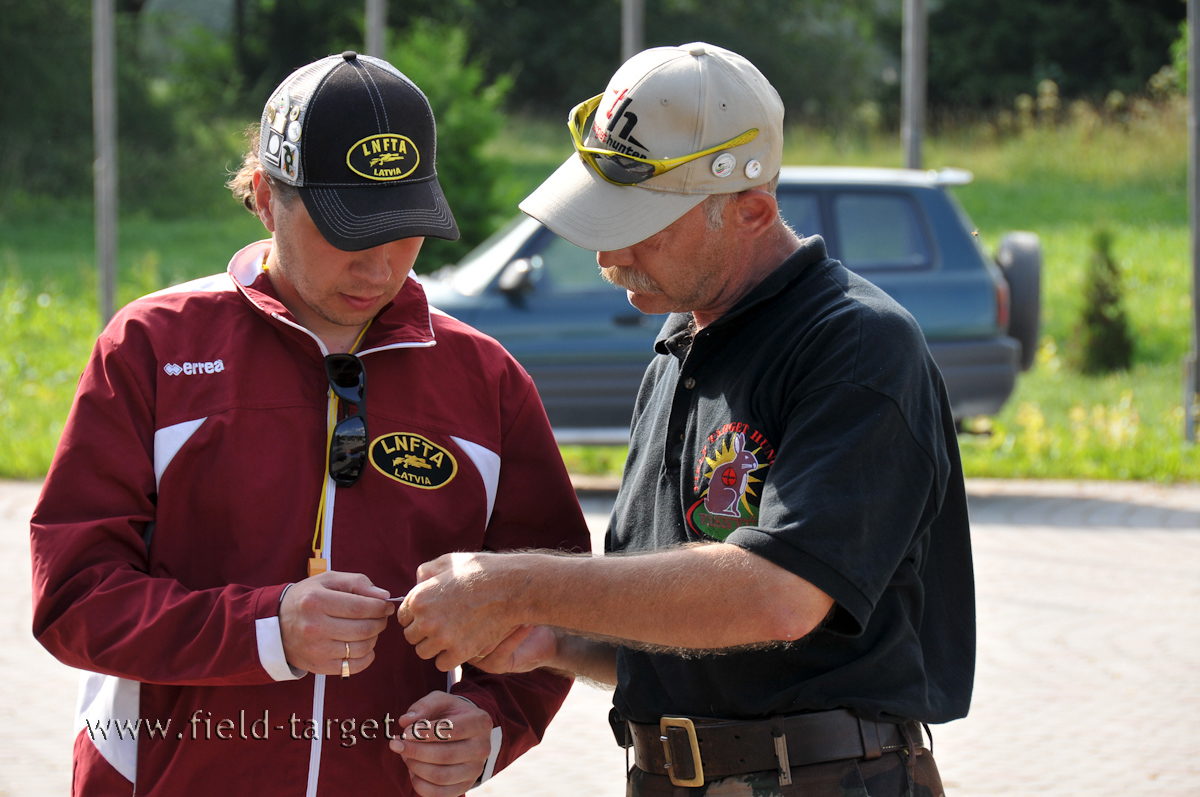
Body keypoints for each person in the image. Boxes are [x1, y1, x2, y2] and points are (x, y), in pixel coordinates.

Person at [396, 43, 975, 796]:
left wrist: (520, 585)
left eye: (641, 225)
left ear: (752, 209)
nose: (608, 254)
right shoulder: (679, 347)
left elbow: (777, 595)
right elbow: (689, 626)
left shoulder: (855, 343)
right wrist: (561, 641)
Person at [30, 51, 590, 797]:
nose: (380, 266)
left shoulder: (486, 382)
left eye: (406, 227)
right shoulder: (154, 348)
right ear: (264, 195)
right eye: (347, 229)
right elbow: (74, 600)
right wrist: (269, 628)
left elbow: (549, 607)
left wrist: (489, 725)